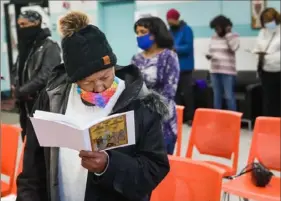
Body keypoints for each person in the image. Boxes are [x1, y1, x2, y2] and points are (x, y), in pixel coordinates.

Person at [16, 11, 170, 201]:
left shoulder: (140, 103)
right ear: (73, 80)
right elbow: (33, 169)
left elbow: (155, 168)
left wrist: (109, 166)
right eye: (87, 82)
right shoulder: (51, 100)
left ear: (114, 65)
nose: (99, 87)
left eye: (105, 76)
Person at [131, 17, 180, 155]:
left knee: (160, 168)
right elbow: (132, 86)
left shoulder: (169, 56)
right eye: (137, 32)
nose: (139, 36)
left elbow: (169, 91)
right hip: (140, 121)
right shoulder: (136, 59)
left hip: (162, 122)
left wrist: (146, 106)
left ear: (155, 33)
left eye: (143, 31)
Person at [11, 10, 61, 141]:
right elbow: (17, 68)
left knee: (42, 144)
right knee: (27, 141)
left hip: (41, 103)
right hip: (24, 104)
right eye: (19, 25)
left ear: (36, 23)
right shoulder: (25, 47)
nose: (21, 28)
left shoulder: (50, 47)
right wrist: (14, 85)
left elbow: (46, 75)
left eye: (24, 24)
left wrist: (21, 90)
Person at [166, 8, 194, 126]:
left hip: (185, 67)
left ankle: (190, 117)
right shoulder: (169, 31)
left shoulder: (187, 30)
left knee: (187, 93)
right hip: (173, 67)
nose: (168, 22)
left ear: (175, 19)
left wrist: (175, 48)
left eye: (170, 19)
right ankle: (178, 117)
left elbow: (188, 47)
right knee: (175, 94)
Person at [206, 15, 240, 111]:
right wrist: (209, 55)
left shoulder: (234, 36)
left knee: (229, 96)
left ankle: (233, 121)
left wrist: (228, 34)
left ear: (224, 26)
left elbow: (234, 47)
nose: (216, 30)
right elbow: (211, 50)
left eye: (218, 28)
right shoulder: (214, 37)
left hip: (228, 72)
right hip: (214, 70)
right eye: (215, 29)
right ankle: (218, 121)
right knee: (217, 97)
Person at [252, 8, 280, 117]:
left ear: (276, 19)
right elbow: (256, 47)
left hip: (279, 70)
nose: (267, 24)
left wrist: (271, 55)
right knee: (268, 101)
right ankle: (269, 127)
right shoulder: (262, 32)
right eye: (265, 21)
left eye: (269, 20)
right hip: (266, 71)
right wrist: (258, 53)